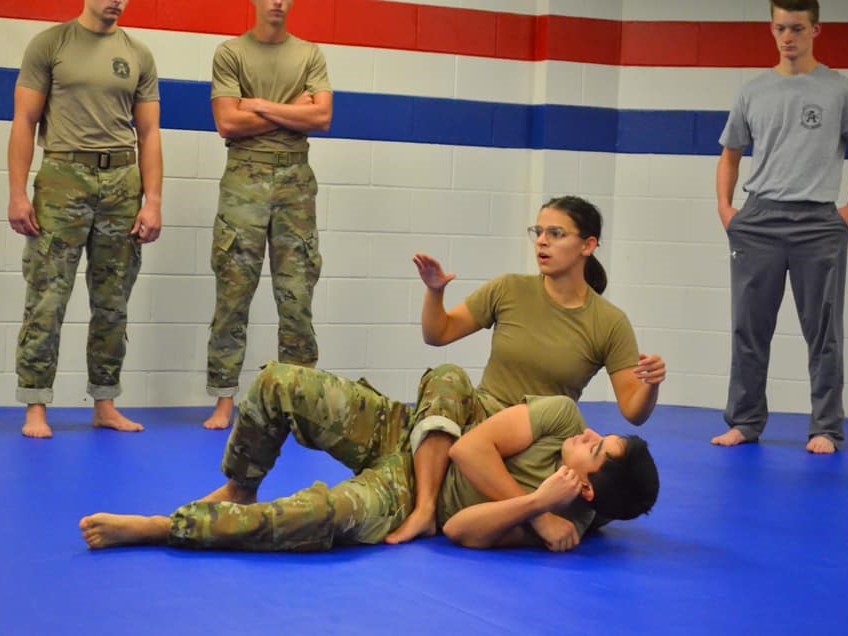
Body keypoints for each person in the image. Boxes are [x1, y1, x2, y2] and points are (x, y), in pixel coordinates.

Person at [79, 362, 659, 553]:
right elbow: (469, 446)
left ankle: (168, 527)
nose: (591, 434)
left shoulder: (567, 525)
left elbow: (461, 531)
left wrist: (538, 505)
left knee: (319, 516)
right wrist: (533, 507)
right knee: (281, 382)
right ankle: (239, 484)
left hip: (398, 493)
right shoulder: (561, 417)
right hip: (412, 434)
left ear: (588, 488)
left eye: (599, 448)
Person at [386, 195, 667, 543]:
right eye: (538, 231)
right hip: (488, 417)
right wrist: (434, 293)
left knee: (595, 509)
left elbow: (633, 411)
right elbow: (438, 333)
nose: (542, 241)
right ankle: (426, 507)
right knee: (447, 376)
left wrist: (651, 384)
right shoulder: (510, 289)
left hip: (541, 437)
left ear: (588, 245)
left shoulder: (608, 322)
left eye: (556, 233)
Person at [7, 0, 163, 439]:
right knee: (47, 299)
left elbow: (150, 133)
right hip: (62, 179)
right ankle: (36, 405)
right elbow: (24, 120)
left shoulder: (138, 54)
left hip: (121, 182)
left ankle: (105, 402)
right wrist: (17, 193)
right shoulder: (50, 44)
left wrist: (153, 200)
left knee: (112, 303)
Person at [713, 0, 848, 454]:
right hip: (759, 220)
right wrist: (726, 209)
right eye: (779, 28)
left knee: (824, 330)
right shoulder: (753, 91)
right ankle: (745, 421)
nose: (787, 37)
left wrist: (844, 213)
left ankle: (826, 428)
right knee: (749, 327)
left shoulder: (838, 89)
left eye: (796, 28)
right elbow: (730, 154)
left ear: (815, 30)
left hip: (818, 222)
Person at [203, 0, 333, 431]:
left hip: (295, 181)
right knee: (233, 294)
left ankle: (298, 404)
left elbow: (323, 116)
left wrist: (254, 105)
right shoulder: (231, 52)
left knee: (296, 298)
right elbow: (227, 122)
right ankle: (224, 400)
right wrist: (290, 111)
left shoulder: (309, 54)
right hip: (244, 177)